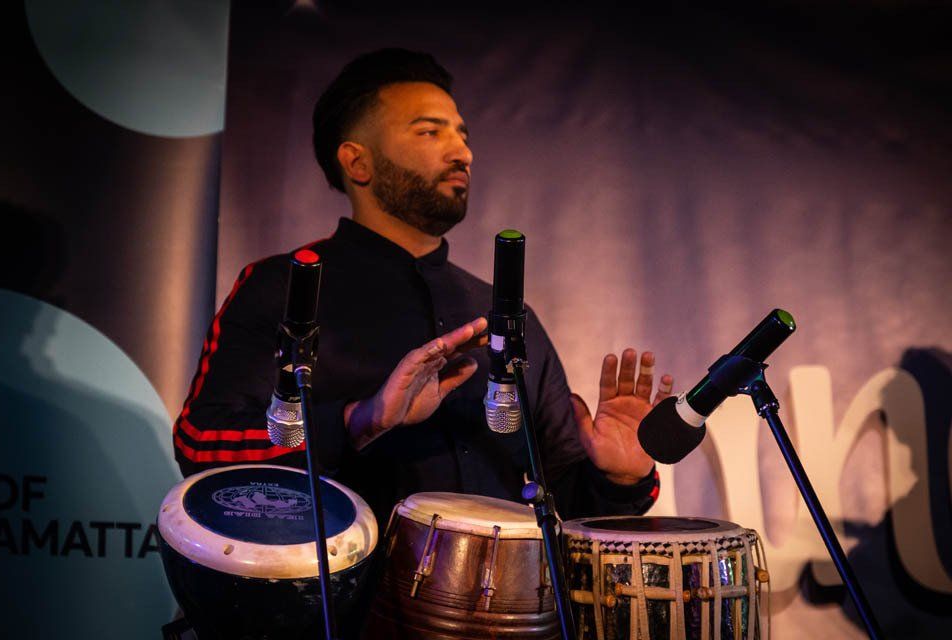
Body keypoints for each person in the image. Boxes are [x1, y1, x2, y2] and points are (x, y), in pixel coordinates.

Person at [172, 49, 674, 527]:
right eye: (430, 131)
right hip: (335, 612)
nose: (463, 152)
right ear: (357, 162)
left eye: (462, 134)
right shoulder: (284, 287)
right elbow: (202, 446)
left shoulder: (502, 314)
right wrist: (358, 420)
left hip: (501, 614)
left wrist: (621, 475)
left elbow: (566, 503)